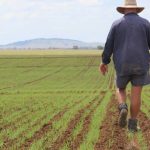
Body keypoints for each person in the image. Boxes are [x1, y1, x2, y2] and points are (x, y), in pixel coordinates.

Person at [99, 0, 150, 132]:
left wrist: (104, 61)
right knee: (136, 94)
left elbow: (108, 45)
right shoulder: (145, 23)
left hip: (122, 64)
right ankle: (132, 125)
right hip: (141, 64)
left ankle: (123, 107)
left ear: (124, 9)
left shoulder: (116, 24)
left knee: (120, 88)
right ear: (136, 9)